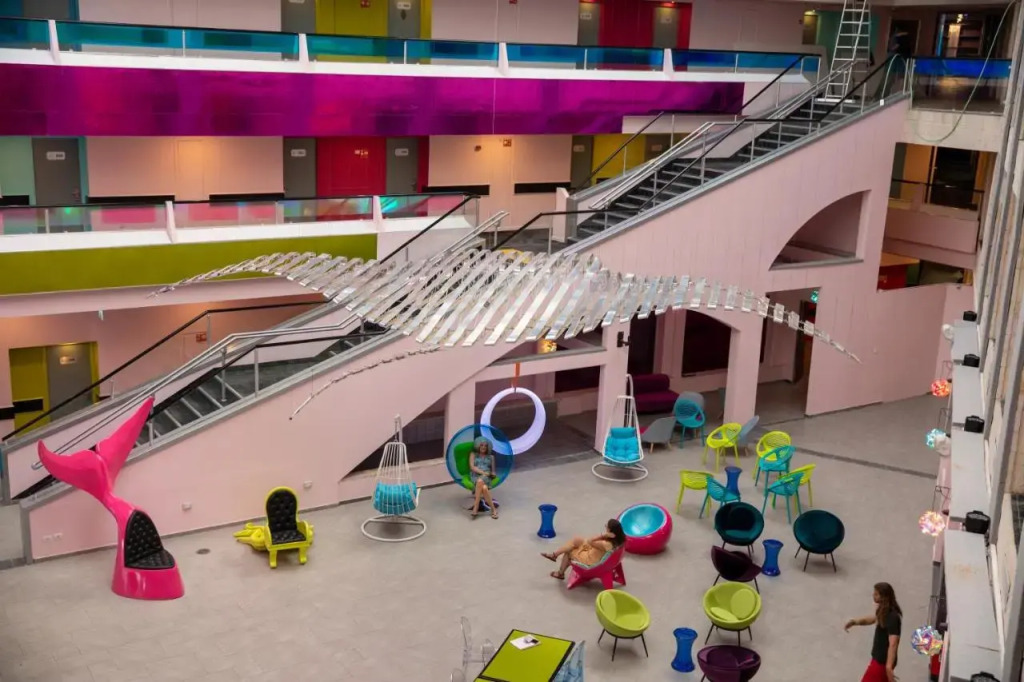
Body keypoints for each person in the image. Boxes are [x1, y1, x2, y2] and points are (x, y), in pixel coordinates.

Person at [845, 582, 903, 682]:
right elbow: (873, 619)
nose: (873, 595)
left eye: (876, 594)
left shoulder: (892, 617)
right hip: (879, 661)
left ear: (884, 597)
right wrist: (855, 622)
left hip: (881, 663)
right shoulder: (884, 610)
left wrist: (888, 667)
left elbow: (893, 643)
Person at [541, 519, 627, 580]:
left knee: (569, 551)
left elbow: (590, 541)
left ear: (611, 532)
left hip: (590, 559)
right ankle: (554, 555)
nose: (605, 528)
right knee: (576, 540)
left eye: (606, 527)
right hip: (594, 551)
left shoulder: (607, 544)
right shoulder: (618, 540)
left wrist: (603, 535)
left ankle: (560, 573)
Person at [468, 437, 498, 519]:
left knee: (480, 481)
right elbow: (472, 467)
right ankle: (493, 510)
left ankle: (475, 508)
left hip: (486, 477)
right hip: (475, 475)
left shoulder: (491, 457)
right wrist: (483, 473)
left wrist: (493, 474)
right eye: (481, 445)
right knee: (484, 488)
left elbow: (493, 471)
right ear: (478, 446)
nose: (483, 447)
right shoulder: (473, 454)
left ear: (488, 448)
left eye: (485, 446)